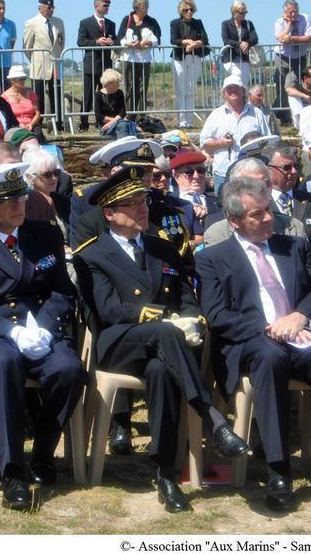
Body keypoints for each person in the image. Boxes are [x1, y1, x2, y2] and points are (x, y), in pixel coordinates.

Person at [72, 166, 249, 513]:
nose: (143, 208)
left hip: (166, 348)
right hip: (120, 344)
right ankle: (210, 415)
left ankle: (166, 475)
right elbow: (109, 310)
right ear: (109, 213)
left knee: (161, 371)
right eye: (132, 203)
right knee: (165, 334)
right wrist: (169, 322)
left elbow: (186, 296)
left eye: (143, 201)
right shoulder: (91, 255)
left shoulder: (162, 249)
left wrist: (193, 318)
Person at [195, 176, 311, 516]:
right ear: (234, 221)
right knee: (270, 356)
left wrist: (301, 317)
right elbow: (218, 316)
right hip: (253, 342)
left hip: (302, 337)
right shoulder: (213, 258)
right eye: (256, 215)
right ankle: (278, 469)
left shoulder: (294, 247)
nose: (267, 220)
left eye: (268, 211)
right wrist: (273, 327)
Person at [0, 162, 84, 510]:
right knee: (4, 363)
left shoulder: (45, 234)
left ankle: (42, 452)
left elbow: (63, 292)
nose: (18, 205)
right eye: (8, 201)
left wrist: (44, 326)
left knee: (68, 368)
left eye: (20, 198)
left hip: (41, 328)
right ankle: (12, 471)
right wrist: (11, 331)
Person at [199, 75, 269, 191]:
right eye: (229, 88)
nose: (232, 90)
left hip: (253, 174)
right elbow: (204, 144)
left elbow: (267, 142)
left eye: (236, 87)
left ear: (243, 91)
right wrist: (220, 143)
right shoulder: (215, 115)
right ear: (224, 93)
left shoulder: (257, 114)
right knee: (223, 209)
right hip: (223, 175)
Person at [76, 0, 117, 132]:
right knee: (87, 96)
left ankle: (103, 123)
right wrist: (96, 42)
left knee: (106, 95)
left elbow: (116, 40)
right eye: (105, 5)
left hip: (106, 65)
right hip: (91, 64)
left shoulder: (111, 24)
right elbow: (81, 41)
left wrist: (113, 42)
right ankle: (84, 123)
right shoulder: (85, 22)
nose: (107, 8)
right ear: (96, 5)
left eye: (108, 6)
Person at [23, 0, 64, 129]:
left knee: (56, 94)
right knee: (38, 96)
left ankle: (58, 123)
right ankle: (38, 123)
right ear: (40, 7)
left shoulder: (58, 22)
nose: (51, 10)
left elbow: (61, 43)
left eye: (53, 7)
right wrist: (35, 59)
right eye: (48, 7)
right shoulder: (32, 23)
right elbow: (27, 47)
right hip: (39, 65)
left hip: (55, 64)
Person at [117, 0, 161, 122]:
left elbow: (157, 39)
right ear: (136, 8)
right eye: (143, 7)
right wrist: (130, 44)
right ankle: (130, 117)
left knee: (142, 89)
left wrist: (148, 43)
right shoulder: (127, 20)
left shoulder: (151, 21)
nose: (146, 10)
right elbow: (120, 39)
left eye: (147, 7)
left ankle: (141, 117)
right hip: (129, 60)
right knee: (130, 88)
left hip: (144, 60)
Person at [273, 0, 311, 126]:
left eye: (295, 11)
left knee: (290, 87)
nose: (293, 14)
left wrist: (292, 39)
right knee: (280, 89)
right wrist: (289, 23)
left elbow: (309, 38)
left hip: (298, 58)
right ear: (284, 12)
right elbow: (281, 38)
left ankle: (274, 112)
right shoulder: (279, 22)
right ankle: (285, 118)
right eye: (290, 12)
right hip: (282, 57)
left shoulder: (306, 18)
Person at [169, 0, 209, 129]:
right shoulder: (175, 23)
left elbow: (204, 39)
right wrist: (187, 42)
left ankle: (190, 121)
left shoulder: (198, 23)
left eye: (191, 9)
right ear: (181, 11)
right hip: (179, 58)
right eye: (186, 10)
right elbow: (174, 39)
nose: (189, 12)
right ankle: (182, 121)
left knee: (190, 90)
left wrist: (194, 44)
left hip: (194, 57)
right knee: (180, 90)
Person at [2, 65, 44, 141]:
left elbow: (37, 113)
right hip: (14, 126)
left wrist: (32, 123)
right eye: (20, 79)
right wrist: (19, 125)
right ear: (12, 80)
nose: (23, 81)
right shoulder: (4, 97)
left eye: (24, 78)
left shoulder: (30, 93)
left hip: (31, 124)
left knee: (38, 134)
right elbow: (5, 117)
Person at [220, 0, 257, 87]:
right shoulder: (226, 24)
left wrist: (247, 43)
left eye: (245, 12)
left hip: (244, 58)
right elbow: (226, 40)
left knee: (244, 83)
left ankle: (243, 99)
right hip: (231, 58)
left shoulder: (248, 24)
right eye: (241, 12)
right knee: (237, 77)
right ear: (234, 12)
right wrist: (240, 44)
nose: (244, 14)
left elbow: (254, 38)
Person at [94, 68, 137, 139]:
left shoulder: (119, 93)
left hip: (118, 123)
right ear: (109, 83)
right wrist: (117, 120)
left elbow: (122, 112)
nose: (119, 84)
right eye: (117, 82)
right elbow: (99, 116)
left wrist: (113, 122)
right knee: (123, 125)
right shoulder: (98, 95)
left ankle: (122, 147)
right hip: (104, 125)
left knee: (123, 125)